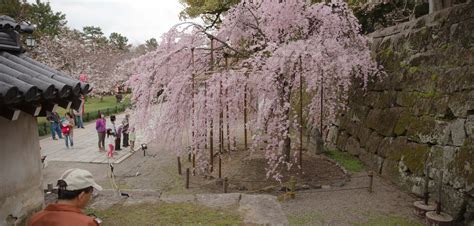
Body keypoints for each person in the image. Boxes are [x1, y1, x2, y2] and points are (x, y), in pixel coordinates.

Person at [28, 168, 103, 226]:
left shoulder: (35, 218)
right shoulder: (86, 223)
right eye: (90, 194)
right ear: (82, 195)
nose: (90, 198)